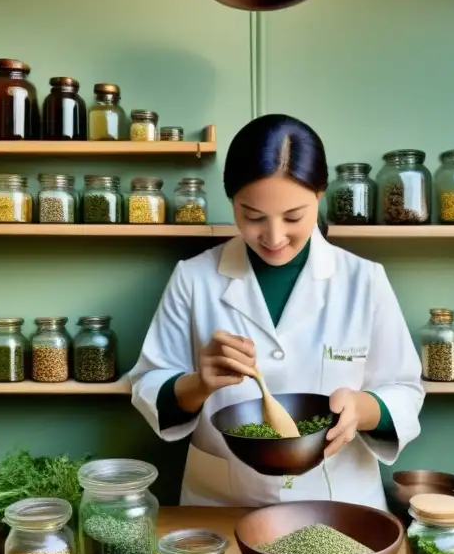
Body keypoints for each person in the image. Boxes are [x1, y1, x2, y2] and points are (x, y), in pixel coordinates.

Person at [129, 114, 424, 509]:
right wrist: (199, 383)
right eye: (253, 217)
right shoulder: (194, 278)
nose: (273, 237)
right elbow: (149, 384)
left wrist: (362, 409)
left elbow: (404, 389)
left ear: (319, 197)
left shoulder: (363, 280)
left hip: (341, 500)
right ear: (232, 199)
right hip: (223, 502)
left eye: (293, 217)